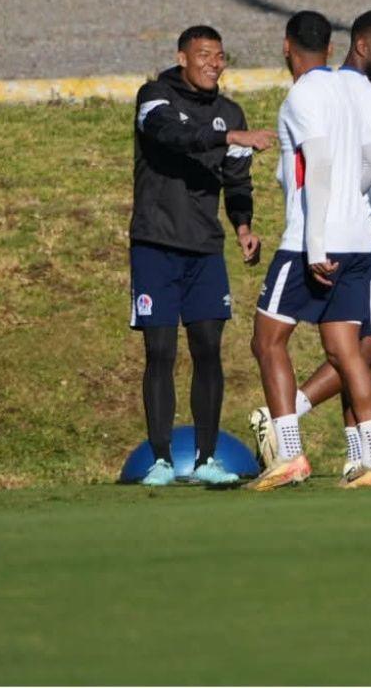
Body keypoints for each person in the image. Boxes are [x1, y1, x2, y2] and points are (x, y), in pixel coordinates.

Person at [248, 10, 371, 481]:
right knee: (347, 350)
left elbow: (322, 162)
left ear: (286, 46)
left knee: (268, 340)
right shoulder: (354, 95)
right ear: (332, 49)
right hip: (357, 240)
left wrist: (314, 244)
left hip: (312, 239)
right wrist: (355, 201)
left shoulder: (303, 95)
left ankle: (289, 454)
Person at [129, 25, 276, 486]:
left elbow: (237, 179)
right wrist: (231, 136)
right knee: (160, 351)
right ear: (182, 57)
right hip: (156, 244)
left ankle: (209, 459)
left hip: (204, 250)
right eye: (204, 55)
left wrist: (244, 226)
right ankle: (159, 460)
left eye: (220, 56)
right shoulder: (154, 96)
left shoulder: (229, 111)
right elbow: (173, 136)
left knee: (208, 350)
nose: (214, 63)